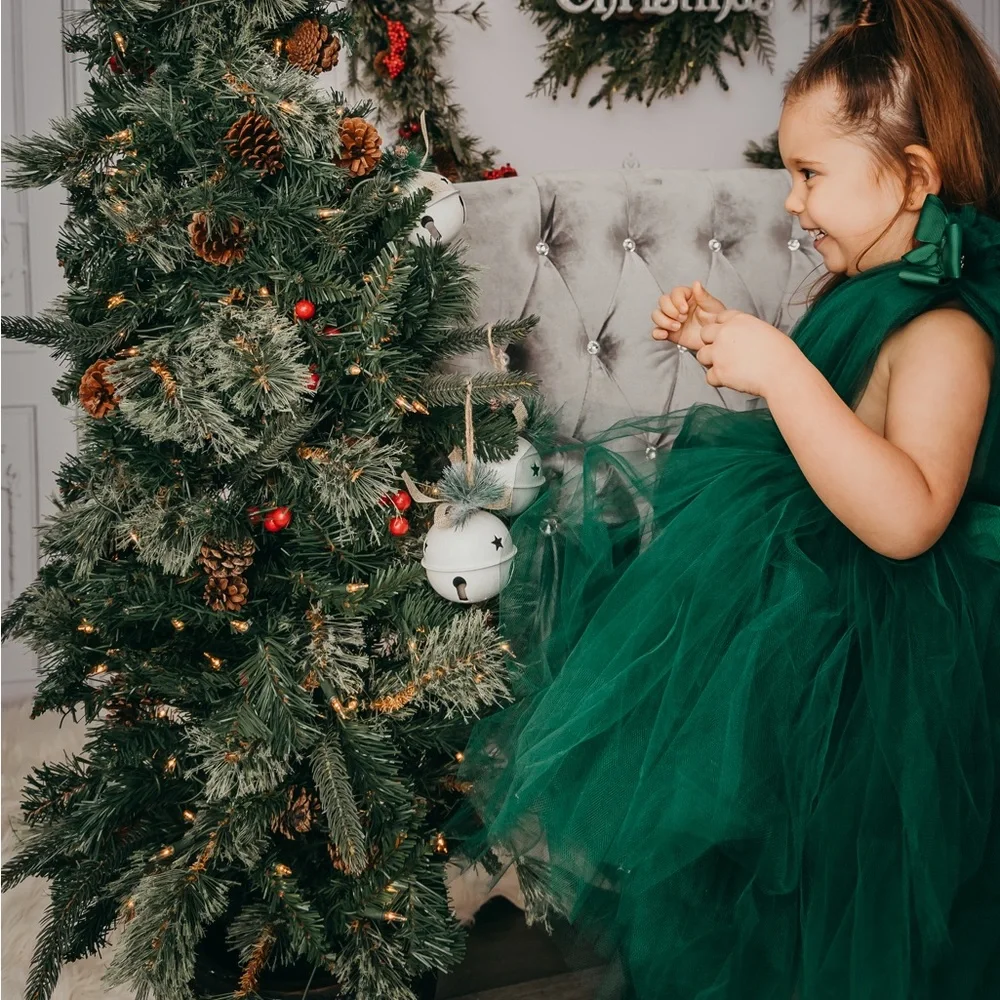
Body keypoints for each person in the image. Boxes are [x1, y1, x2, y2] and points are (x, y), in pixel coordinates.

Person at [446, 1, 1000, 997]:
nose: (791, 203)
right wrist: (738, 352)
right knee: (768, 894)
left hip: (897, 664)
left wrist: (782, 372)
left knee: (860, 898)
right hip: (817, 628)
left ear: (914, 177)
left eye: (811, 174)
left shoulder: (948, 332)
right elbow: (839, 435)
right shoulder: (871, 294)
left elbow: (909, 513)